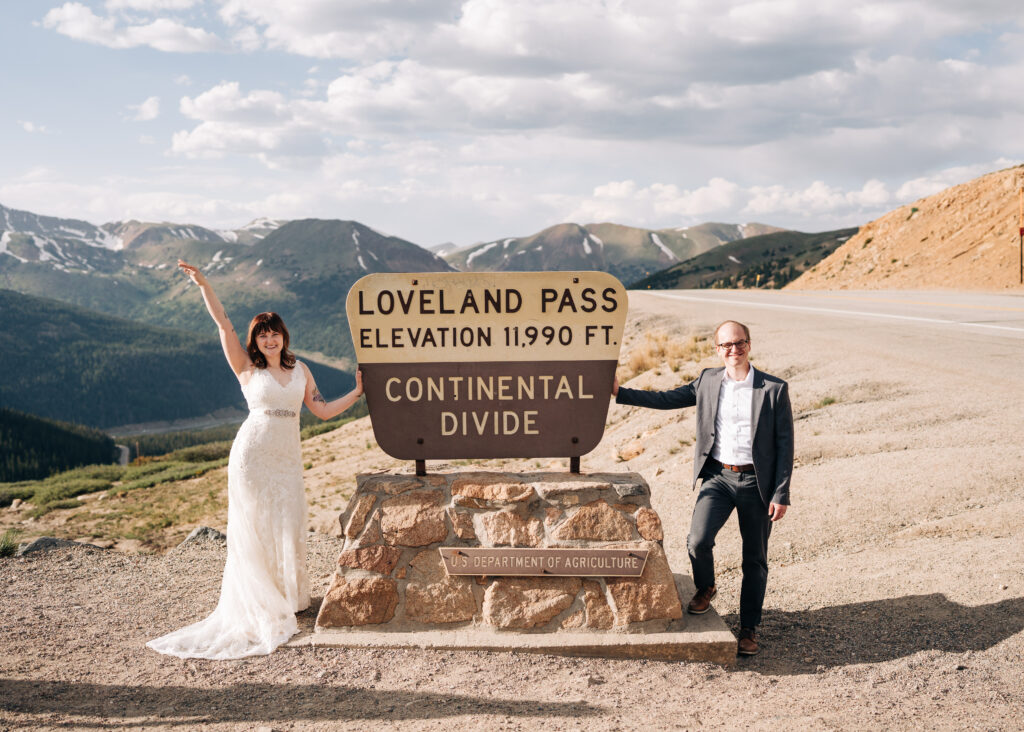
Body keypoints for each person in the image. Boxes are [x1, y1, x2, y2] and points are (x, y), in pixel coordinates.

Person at [147, 259, 363, 660]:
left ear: (283, 336)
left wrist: (356, 392)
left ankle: (290, 598)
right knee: (257, 526)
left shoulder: (301, 370)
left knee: (289, 521)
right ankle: (261, 601)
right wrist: (203, 284)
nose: (269, 339)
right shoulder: (247, 368)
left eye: (274, 333)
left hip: (287, 459)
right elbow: (224, 326)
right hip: (252, 457)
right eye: (262, 335)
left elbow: (322, 410)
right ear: (255, 341)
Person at [612, 320, 793, 656]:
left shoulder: (774, 389)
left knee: (755, 559)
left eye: (739, 343)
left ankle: (749, 628)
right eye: (726, 345)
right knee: (697, 540)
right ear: (717, 349)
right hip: (719, 478)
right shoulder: (709, 381)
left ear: (749, 345)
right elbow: (667, 399)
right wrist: (621, 393)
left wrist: (781, 493)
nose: (733, 350)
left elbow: (785, 444)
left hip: (757, 484)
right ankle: (706, 586)